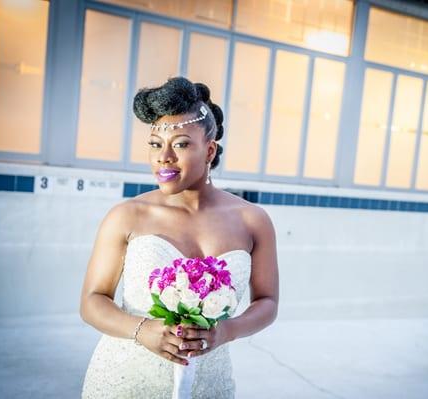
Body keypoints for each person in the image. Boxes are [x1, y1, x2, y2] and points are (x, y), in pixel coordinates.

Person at [79, 77, 279, 398]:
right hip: (125, 380)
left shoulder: (252, 220)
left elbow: (267, 303)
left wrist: (225, 331)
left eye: (181, 143)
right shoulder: (128, 215)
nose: (164, 157)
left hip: (209, 382)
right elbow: (92, 302)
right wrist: (142, 330)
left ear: (209, 149)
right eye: (156, 144)